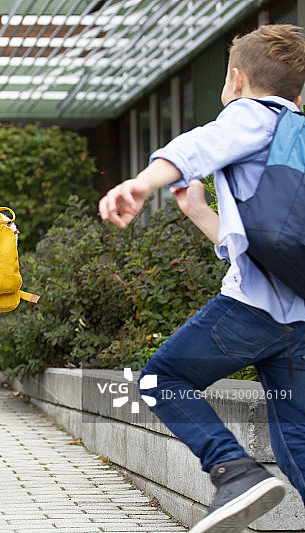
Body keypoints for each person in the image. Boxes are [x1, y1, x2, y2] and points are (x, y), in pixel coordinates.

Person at [99, 25, 305, 533]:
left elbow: (200, 144)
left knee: (161, 378)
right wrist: (197, 212)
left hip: (252, 311)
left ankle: (233, 471)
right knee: (296, 434)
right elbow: (266, 242)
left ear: (236, 79)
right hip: (297, 319)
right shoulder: (295, 132)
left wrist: (142, 182)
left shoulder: (251, 115)